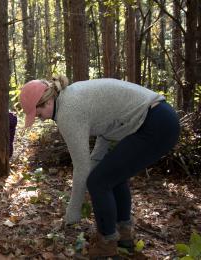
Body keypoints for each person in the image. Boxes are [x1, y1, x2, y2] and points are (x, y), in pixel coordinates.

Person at [19, 76, 180, 258]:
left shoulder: (67, 112)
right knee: (112, 177)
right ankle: (124, 236)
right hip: (162, 118)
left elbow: (81, 167)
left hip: (155, 125)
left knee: (98, 182)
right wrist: (96, 161)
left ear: (48, 101)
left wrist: (73, 211)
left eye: (38, 114)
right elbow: (105, 128)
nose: (40, 119)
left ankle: (107, 244)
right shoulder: (70, 96)